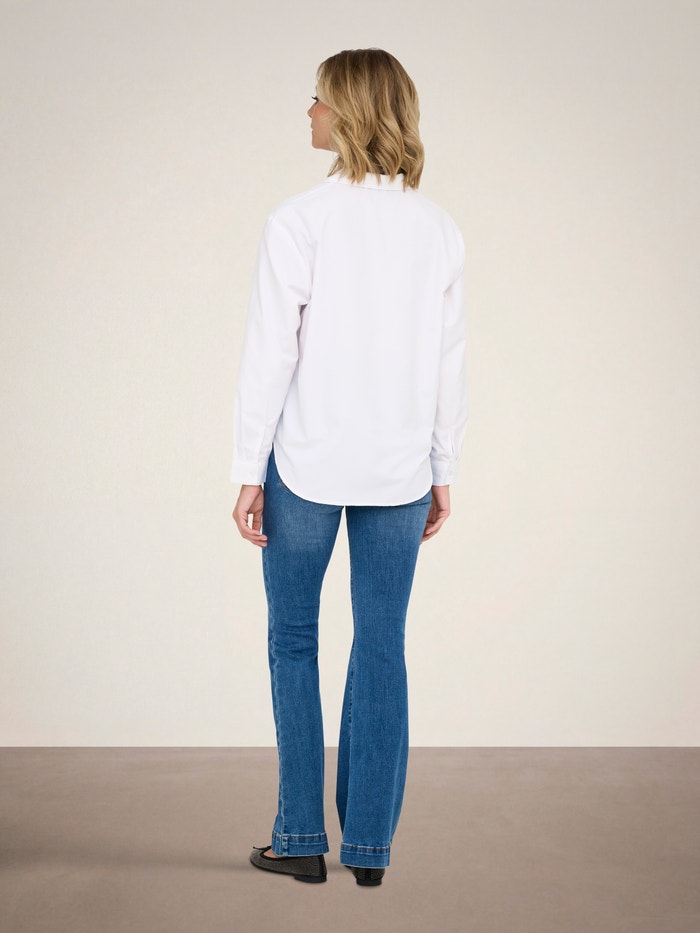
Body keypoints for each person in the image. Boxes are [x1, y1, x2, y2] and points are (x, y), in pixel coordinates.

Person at [230, 48, 468, 887]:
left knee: (294, 639)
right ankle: (368, 848)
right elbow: (448, 362)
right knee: (382, 643)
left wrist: (247, 467)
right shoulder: (437, 229)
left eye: (318, 99)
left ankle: (301, 837)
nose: (309, 112)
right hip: (400, 470)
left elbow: (271, 355)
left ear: (349, 112)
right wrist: (443, 466)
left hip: (304, 462)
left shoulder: (298, 219)